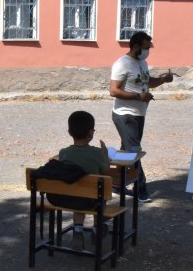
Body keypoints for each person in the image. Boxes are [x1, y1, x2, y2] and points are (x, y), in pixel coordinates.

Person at [109, 31, 174, 202]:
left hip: (139, 114)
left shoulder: (143, 62)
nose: (148, 51)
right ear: (136, 46)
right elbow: (113, 91)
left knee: (127, 149)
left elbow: (147, 82)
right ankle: (141, 187)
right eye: (145, 47)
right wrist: (139, 97)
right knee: (134, 150)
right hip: (124, 115)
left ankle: (117, 183)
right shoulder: (122, 64)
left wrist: (163, 80)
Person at [49, 111, 110, 251]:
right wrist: (105, 154)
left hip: (64, 197)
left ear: (70, 132)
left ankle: (77, 229)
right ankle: (97, 228)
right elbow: (106, 171)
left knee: (79, 191)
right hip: (89, 200)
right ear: (91, 132)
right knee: (100, 193)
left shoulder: (64, 152)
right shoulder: (97, 153)